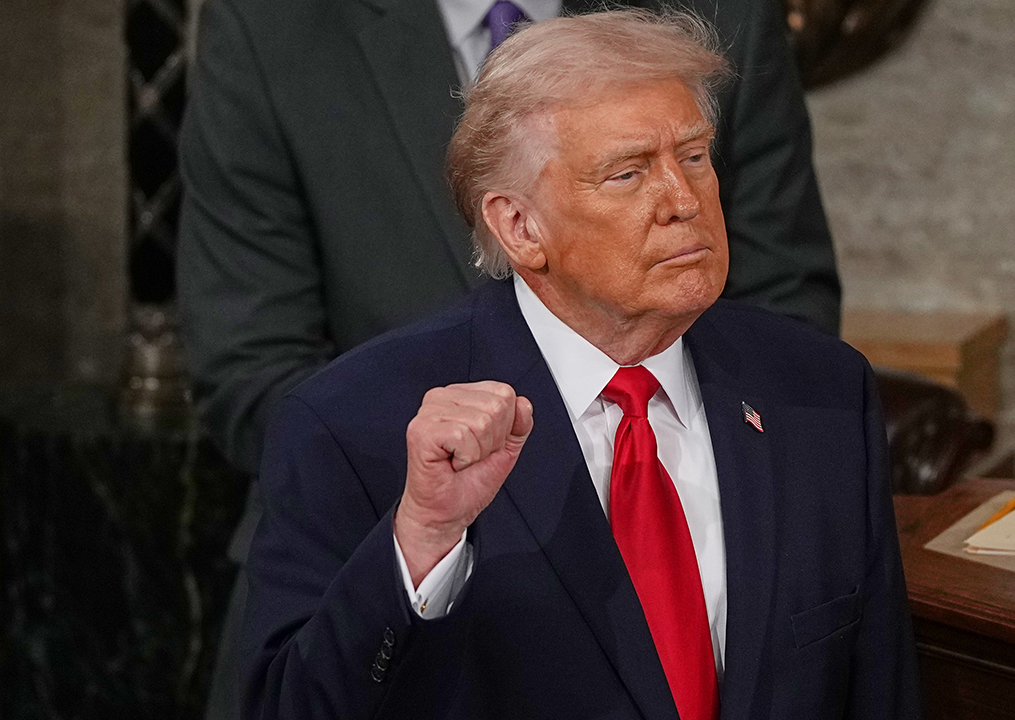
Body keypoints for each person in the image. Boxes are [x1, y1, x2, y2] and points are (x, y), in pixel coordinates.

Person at [242, 10, 918, 719]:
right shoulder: (352, 425)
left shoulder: (821, 393)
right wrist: (420, 541)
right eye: (628, 173)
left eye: (694, 156)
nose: (684, 202)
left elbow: (879, 693)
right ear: (520, 226)